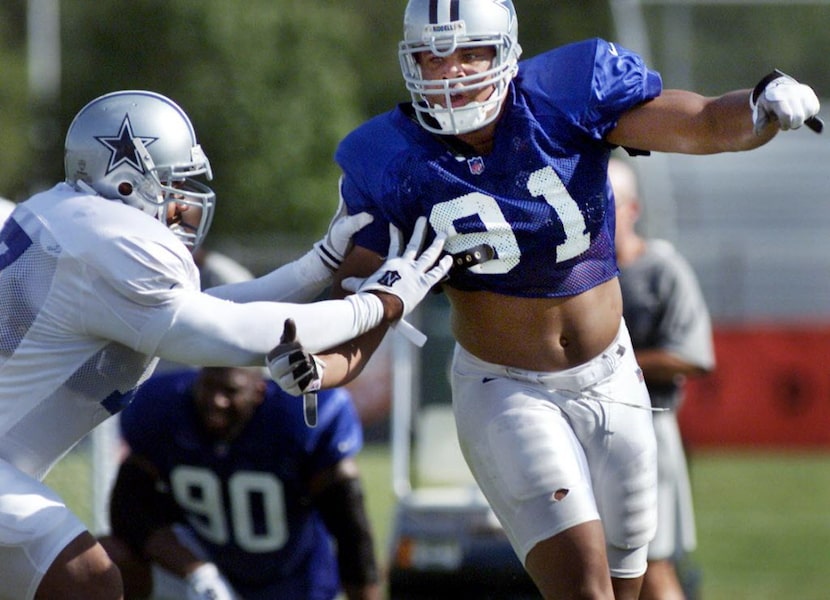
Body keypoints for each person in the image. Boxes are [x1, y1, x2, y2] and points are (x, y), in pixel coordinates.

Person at [265, 2, 821, 599]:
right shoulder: (389, 157)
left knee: (625, 588)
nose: (449, 71)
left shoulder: (567, 92)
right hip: (507, 388)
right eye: (433, 53)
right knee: (585, 588)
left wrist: (761, 105)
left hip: (613, 376)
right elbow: (366, 311)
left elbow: (707, 122)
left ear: (505, 50)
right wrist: (320, 366)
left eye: (469, 51)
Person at [0, 89, 451, 600]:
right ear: (124, 182)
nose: (185, 201)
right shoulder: (111, 243)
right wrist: (381, 302)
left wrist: (317, 264)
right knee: (92, 580)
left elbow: (210, 311)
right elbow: (240, 339)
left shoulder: (70, 218)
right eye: (172, 184)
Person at [98, 366, 379, 600]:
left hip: (293, 581)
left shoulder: (297, 420)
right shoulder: (166, 408)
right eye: (208, 386)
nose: (216, 401)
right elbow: (129, 511)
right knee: (109, 555)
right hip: (204, 570)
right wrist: (197, 571)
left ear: (258, 391)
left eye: (230, 390)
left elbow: (350, 525)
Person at [609, 158, 714, 600]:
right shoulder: (578, 276)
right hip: (589, 431)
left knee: (652, 567)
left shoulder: (662, 270)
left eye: (607, 204)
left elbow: (693, 357)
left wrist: (615, 362)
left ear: (632, 209)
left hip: (648, 428)